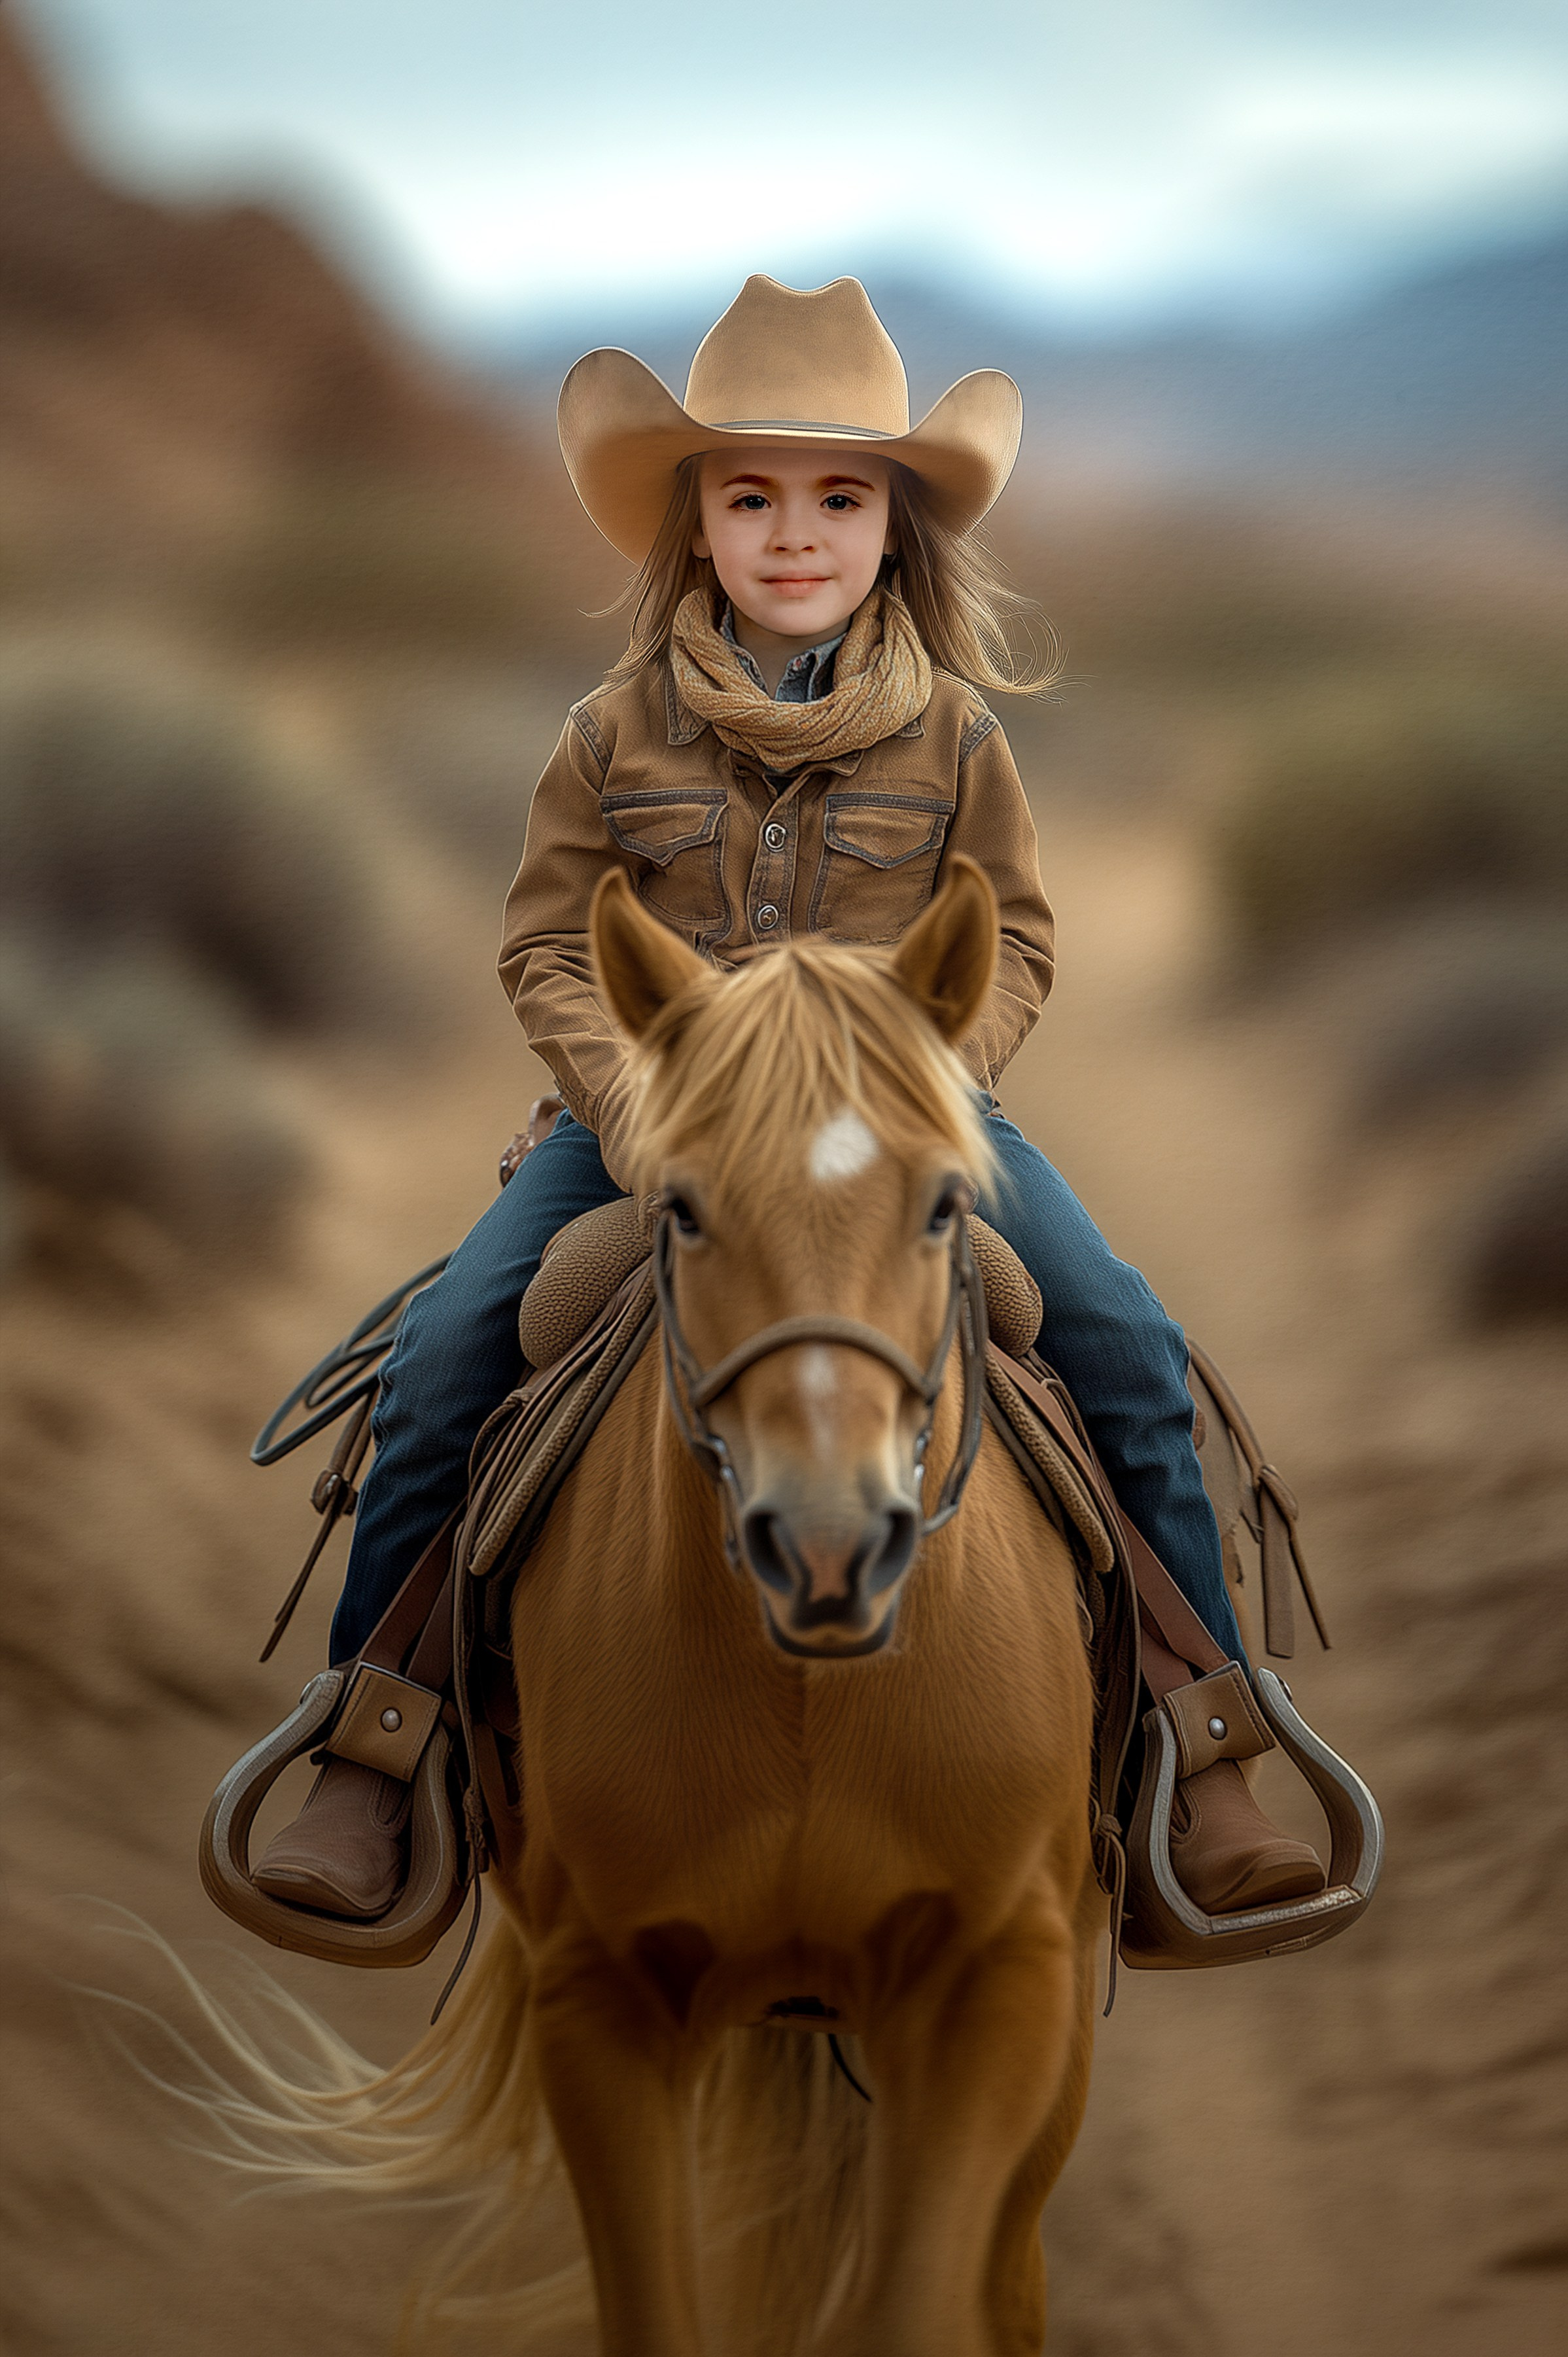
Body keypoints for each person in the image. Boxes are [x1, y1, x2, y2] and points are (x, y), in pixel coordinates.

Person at [256, 275, 1324, 1923]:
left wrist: (930, 1088)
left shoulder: (961, 740)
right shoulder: (608, 733)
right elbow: (548, 941)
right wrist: (631, 1107)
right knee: (456, 1340)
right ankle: (371, 1743)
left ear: (896, 527)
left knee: (1116, 1335)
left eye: (837, 496)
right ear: (693, 523)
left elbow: (1013, 939)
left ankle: (1211, 1731)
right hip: (650, 1133)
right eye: (748, 496)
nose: (793, 532)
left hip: (897, 1124)